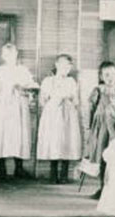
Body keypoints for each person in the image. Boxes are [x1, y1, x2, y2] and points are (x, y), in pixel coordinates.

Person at [0, 43, 38, 180]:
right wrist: (4, 96)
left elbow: (31, 87)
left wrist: (23, 89)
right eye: (7, 54)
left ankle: (19, 168)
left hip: (19, 107)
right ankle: (1, 169)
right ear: (3, 56)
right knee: (1, 135)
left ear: (16, 54)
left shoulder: (23, 70)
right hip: (3, 107)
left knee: (19, 135)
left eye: (13, 53)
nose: (10, 56)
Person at [37, 54, 81, 184]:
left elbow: (76, 100)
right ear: (56, 65)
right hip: (53, 114)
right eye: (62, 65)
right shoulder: (48, 81)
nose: (65, 68)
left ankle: (64, 174)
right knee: (54, 140)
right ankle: (53, 173)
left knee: (67, 139)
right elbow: (42, 100)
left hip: (68, 114)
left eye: (68, 65)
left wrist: (70, 101)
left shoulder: (71, 82)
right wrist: (52, 106)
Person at [85, 61, 115, 199]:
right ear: (101, 76)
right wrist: (91, 129)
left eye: (112, 74)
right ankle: (103, 188)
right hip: (102, 128)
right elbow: (91, 109)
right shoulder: (98, 90)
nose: (110, 77)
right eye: (106, 75)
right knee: (103, 158)